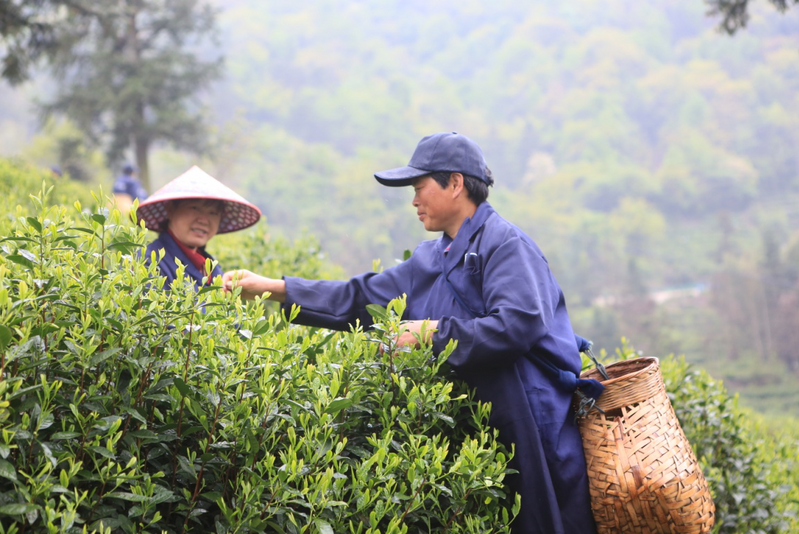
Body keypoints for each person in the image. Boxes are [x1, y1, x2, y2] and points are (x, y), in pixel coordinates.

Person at [221, 132, 598, 534]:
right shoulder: (429, 258)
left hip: (532, 419)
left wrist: (431, 333)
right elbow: (360, 297)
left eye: (420, 188)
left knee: (546, 521)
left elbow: (517, 326)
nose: (414, 200)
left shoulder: (505, 245)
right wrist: (273, 287)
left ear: (455, 184)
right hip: (479, 426)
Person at [136, 165, 261, 290]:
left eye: (213, 213)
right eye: (195, 208)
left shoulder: (212, 270)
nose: (204, 220)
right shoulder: (148, 263)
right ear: (171, 209)